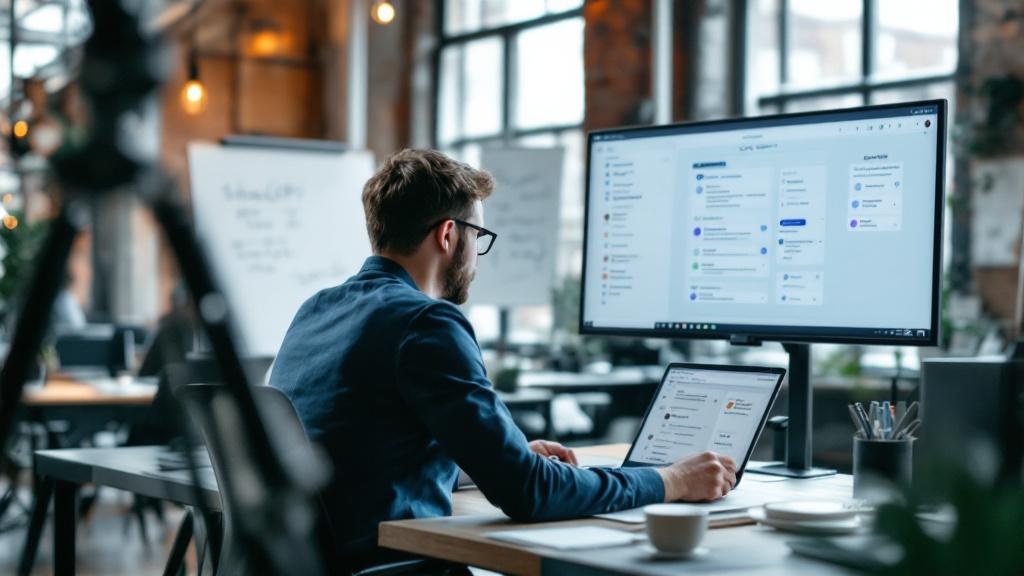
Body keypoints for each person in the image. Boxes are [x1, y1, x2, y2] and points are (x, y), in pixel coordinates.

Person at [270, 149, 737, 571]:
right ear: (449, 234)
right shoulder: (427, 322)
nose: (478, 255)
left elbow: (356, 453)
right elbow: (529, 493)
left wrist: (493, 458)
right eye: (479, 234)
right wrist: (671, 480)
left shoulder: (316, 309)